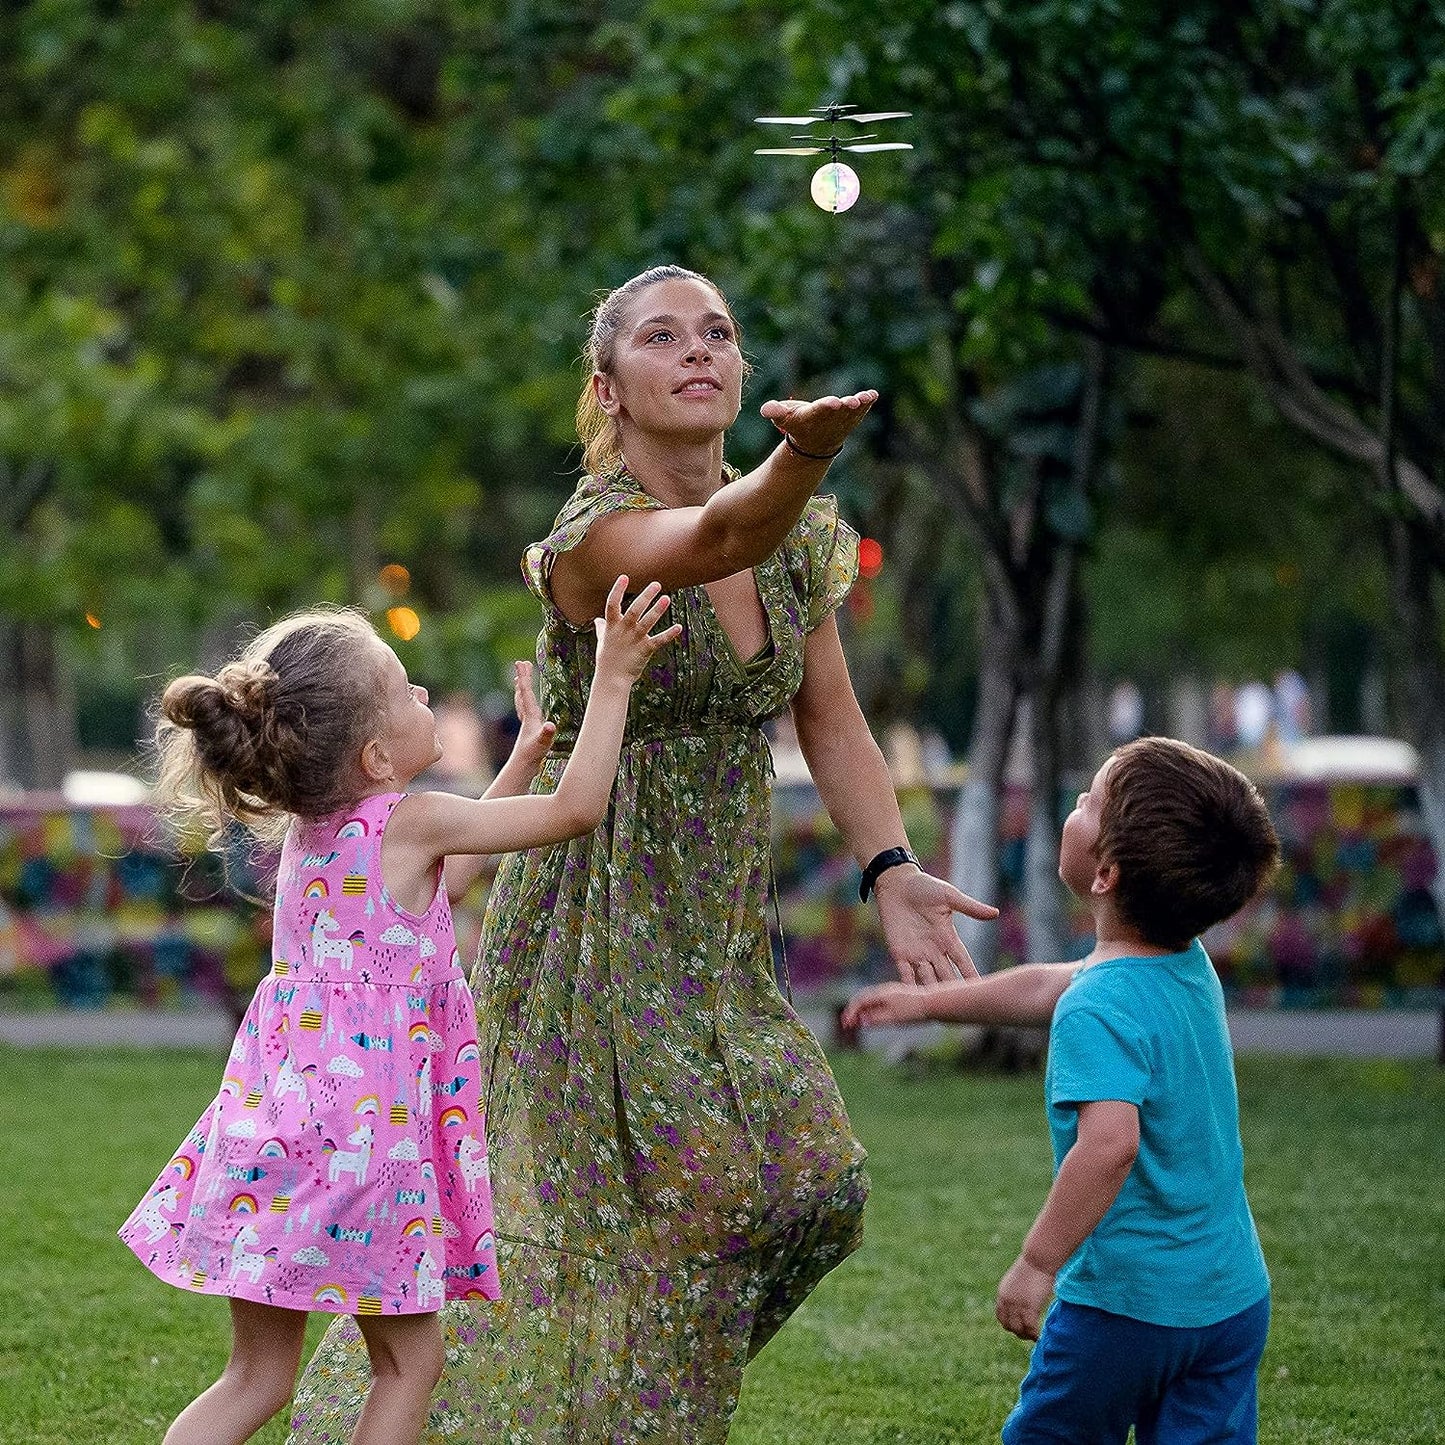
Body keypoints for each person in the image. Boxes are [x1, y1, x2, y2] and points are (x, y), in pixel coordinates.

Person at [289, 263, 997, 1442]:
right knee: (606, 1222)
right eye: (662, 338)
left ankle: (632, 1401)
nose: (698, 351)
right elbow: (719, 528)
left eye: (717, 332)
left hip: (711, 917)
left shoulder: (801, 542)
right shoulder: (592, 537)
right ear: (608, 387)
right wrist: (805, 456)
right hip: (587, 916)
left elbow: (829, 712)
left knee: (809, 1183)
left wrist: (890, 865)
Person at [120, 580, 680, 1445]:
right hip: (364, 1149)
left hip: (276, 1138)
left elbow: (440, 887)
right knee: (407, 1365)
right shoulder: (410, 820)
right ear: (378, 758)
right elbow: (578, 812)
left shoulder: (315, 836)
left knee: (255, 1376)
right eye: (405, 687)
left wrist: (523, 755)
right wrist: (612, 678)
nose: (423, 694)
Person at [843, 736, 1280, 1445]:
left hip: (1126, 1308)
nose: (1075, 803)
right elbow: (1052, 983)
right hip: (1230, 1299)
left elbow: (1108, 1144)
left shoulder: (1100, 1004)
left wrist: (1036, 1262)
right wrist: (925, 1004)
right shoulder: (1183, 963)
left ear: (1104, 872)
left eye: (1090, 801)